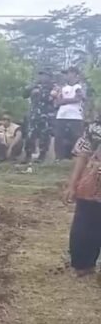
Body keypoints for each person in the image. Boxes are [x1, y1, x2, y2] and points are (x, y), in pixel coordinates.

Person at [63, 119, 101, 278]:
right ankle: (83, 265)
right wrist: (72, 185)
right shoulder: (95, 128)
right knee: (86, 224)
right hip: (93, 182)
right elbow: (82, 156)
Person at [23, 68, 57, 164]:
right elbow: (24, 94)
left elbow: (50, 98)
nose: (42, 77)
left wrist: (39, 92)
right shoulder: (35, 85)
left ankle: (42, 156)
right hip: (33, 114)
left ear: (49, 77)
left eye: (45, 75)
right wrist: (31, 88)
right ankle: (28, 155)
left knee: (44, 136)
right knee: (30, 135)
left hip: (46, 115)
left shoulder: (53, 87)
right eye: (41, 75)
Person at [54, 66, 85, 161]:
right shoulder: (62, 88)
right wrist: (64, 100)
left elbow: (78, 98)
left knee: (75, 137)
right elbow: (57, 102)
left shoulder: (79, 87)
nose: (66, 76)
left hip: (75, 116)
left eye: (68, 73)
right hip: (61, 115)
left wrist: (64, 101)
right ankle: (59, 158)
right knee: (59, 137)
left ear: (74, 74)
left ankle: (75, 158)